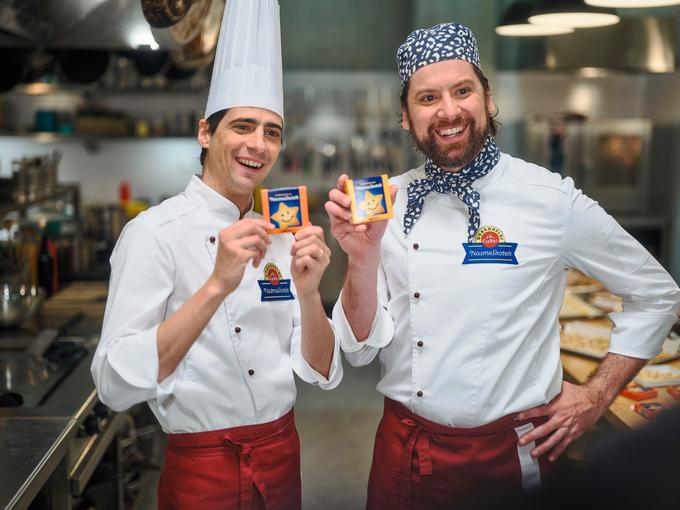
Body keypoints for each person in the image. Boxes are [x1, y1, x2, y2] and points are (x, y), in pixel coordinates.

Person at [324, 21, 680, 510]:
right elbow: (360, 351)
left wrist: (597, 395)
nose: (448, 111)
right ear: (405, 118)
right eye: (427, 99)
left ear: (487, 98)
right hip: (400, 450)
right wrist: (360, 258)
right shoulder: (390, 202)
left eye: (462, 91)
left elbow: (657, 293)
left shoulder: (548, 199)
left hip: (510, 457)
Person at [91, 1, 342, 509]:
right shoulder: (153, 234)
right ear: (206, 132)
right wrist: (215, 286)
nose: (259, 144)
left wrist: (312, 295)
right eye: (243, 126)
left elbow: (319, 370)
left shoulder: (280, 232)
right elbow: (114, 384)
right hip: (201, 470)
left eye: (272, 132)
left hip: (282, 457)